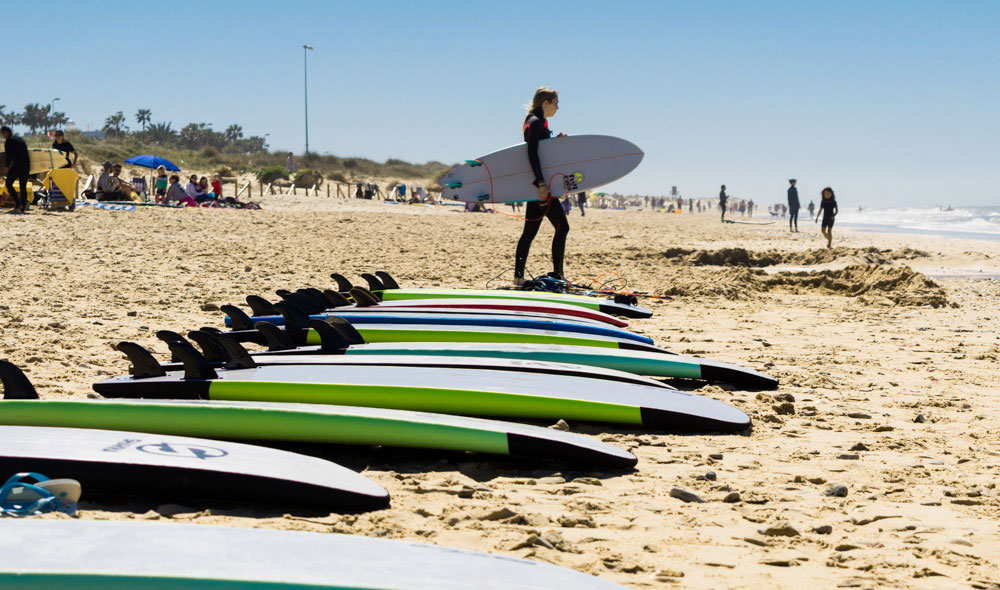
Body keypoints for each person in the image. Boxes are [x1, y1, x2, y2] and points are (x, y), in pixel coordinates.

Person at [513, 87, 569, 286]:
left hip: (539, 185)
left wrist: (555, 143)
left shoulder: (536, 121)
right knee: (562, 227)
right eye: (556, 103)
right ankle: (558, 275)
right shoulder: (535, 122)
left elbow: (543, 152)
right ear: (546, 102)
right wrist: (542, 184)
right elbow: (532, 154)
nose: (557, 107)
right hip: (540, 186)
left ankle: (519, 277)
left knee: (530, 233)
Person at [1, 126, 30, 213]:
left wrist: (6, 167)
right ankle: (23, 207)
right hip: (26, 165)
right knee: (23, 186)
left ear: (6, 132)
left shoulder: (8, 141)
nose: (2, 136)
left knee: (8, 184)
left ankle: (17, 203)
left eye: (2, 133)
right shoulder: (20, 139)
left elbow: (8, 156)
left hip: (17, 165)